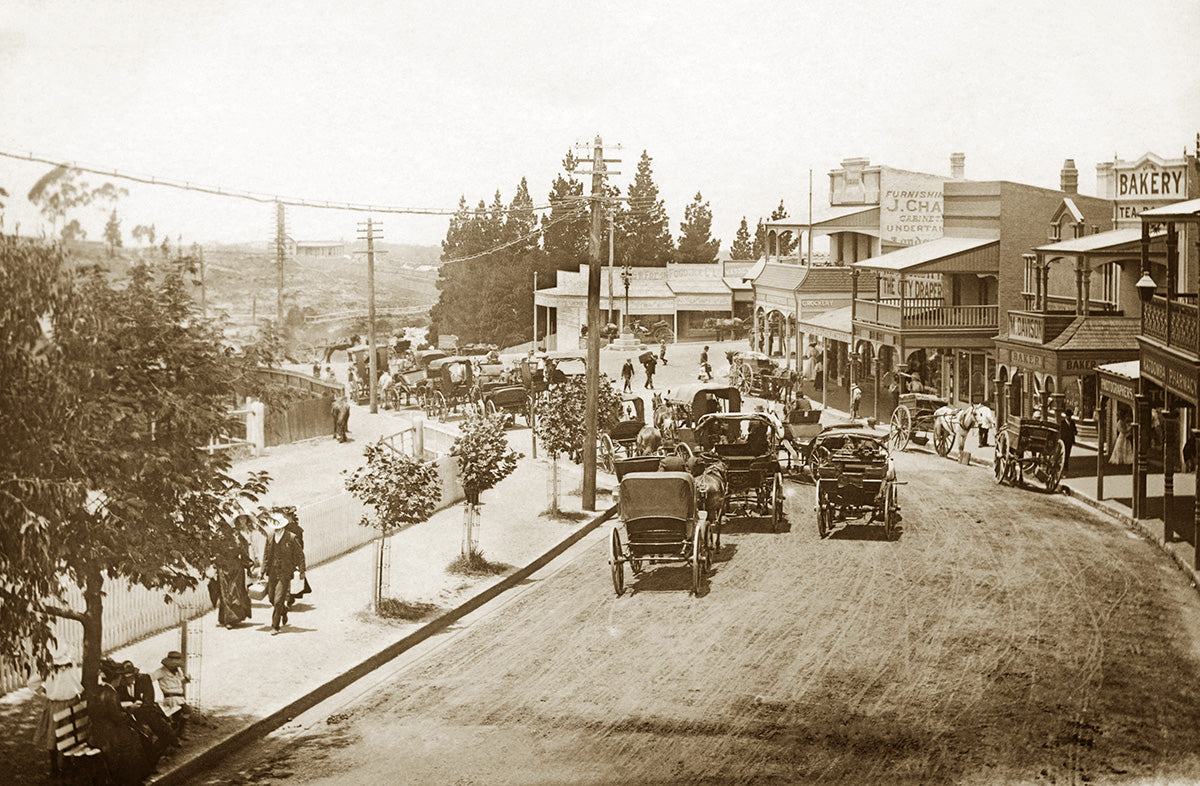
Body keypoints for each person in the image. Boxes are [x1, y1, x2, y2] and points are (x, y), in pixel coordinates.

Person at [90, 661, 154, 784]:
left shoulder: (101, 689)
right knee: (132, 738)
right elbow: (117, 717)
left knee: (133, 735)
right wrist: (129, 711)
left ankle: (133, 777)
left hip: (100, 728)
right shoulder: (110, 693)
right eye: (121, 676)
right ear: (117, 678)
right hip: (106, 732)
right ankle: (130, 779)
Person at [28, 648, 83, 777]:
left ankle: (56, 767)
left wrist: (45, 691)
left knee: (55, 735)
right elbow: (79, 682)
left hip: (56, 704)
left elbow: (31, 683)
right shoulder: (70, 667)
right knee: (68, 733)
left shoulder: (48, 669)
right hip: (71, 702)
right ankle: (65, 763)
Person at [115, 661, 176, 760]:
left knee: (165, 733)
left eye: (129, 676)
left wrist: (138, 709)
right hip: (130, 715)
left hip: (148, 712)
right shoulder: (119, 685)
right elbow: (118, 703)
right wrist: (130, 708)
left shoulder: (144, 679)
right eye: (124, 677)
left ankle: (155, 754)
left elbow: (149, 701)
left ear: (135, 674)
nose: (127, 679)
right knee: (144, 735)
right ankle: (150, 759)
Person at [262, 512, 306, 634]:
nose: (277, 528)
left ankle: (275, 626)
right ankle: (284, 610)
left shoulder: (291, 537)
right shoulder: (270, 537)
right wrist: (262, 571)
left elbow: (300, 555)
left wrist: (302, 570)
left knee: (278, 600)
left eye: (279, 525)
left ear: (283, 525)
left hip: (285, 573)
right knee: (271, 598)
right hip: (272, 572)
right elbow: (266, 555)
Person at [208, 527, 253, 628]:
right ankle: (226, 619)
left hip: (236, 570)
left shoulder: (238, 538)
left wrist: (248, 567)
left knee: (235, 592)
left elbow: (243, 552)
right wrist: (215, 567)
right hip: (223, 569)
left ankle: (234, 617)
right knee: (225, 594)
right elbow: (213, 554)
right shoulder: (217, 540)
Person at [151, 651, 191, 738]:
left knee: (181, 716)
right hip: (171, 697)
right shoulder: (161, 671)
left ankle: (177, 733)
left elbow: (180, 682)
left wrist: (186, 679)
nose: (176, 667)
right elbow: (150, 678)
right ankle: (178, 733)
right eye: (173, 665)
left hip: (180, 697)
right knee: (185, 711)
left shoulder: (178, 671)